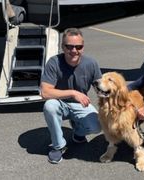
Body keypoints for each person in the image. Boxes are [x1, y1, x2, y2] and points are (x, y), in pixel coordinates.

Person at [40, 28, 102, 164]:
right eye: (69, 46)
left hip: (80, 104)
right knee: (49, 106)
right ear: (62, 47)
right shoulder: (54, 62)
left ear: (83, 47)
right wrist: (73, 93)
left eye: (78, 47)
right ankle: (58, 146)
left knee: (97, 126)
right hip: (59, 103)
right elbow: (45, 92)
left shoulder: (91, 64)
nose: (74, 50)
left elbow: (101, 90)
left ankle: (78, 133)